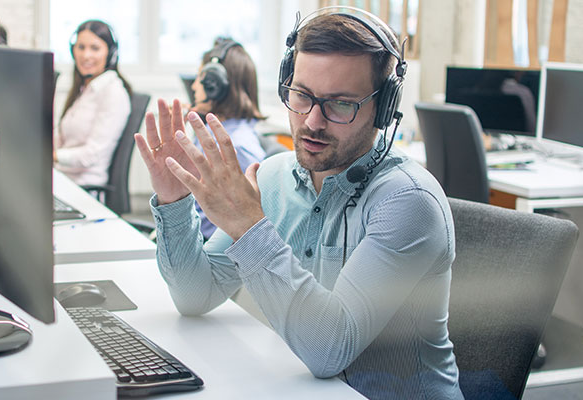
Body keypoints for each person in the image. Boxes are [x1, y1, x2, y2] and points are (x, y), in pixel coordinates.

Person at [135, 7, 463, 400]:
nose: (312, 121)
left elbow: (329, 351)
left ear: (384, 109)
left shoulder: (408, 202)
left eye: (341, 104)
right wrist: (174, 200)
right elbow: (195, 296)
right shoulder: (274, 176)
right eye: (302, 96)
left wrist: (249, 228)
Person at [189, 37, 267, 239]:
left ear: (216, 85)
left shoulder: (237, 148)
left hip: (211, 250)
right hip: (195, 236)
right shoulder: (213, 132)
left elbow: (249, 229)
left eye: (199, 78)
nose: (194, 87)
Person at [54, 20, 132, 186]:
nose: (86, 55)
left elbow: (91, 154)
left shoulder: (114, 93)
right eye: (81, 47)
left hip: (84, 187)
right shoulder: (84, 89)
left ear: (110, 54)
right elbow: (63, 138)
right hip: (62, 179)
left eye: (95, 48)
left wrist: (53, 155)